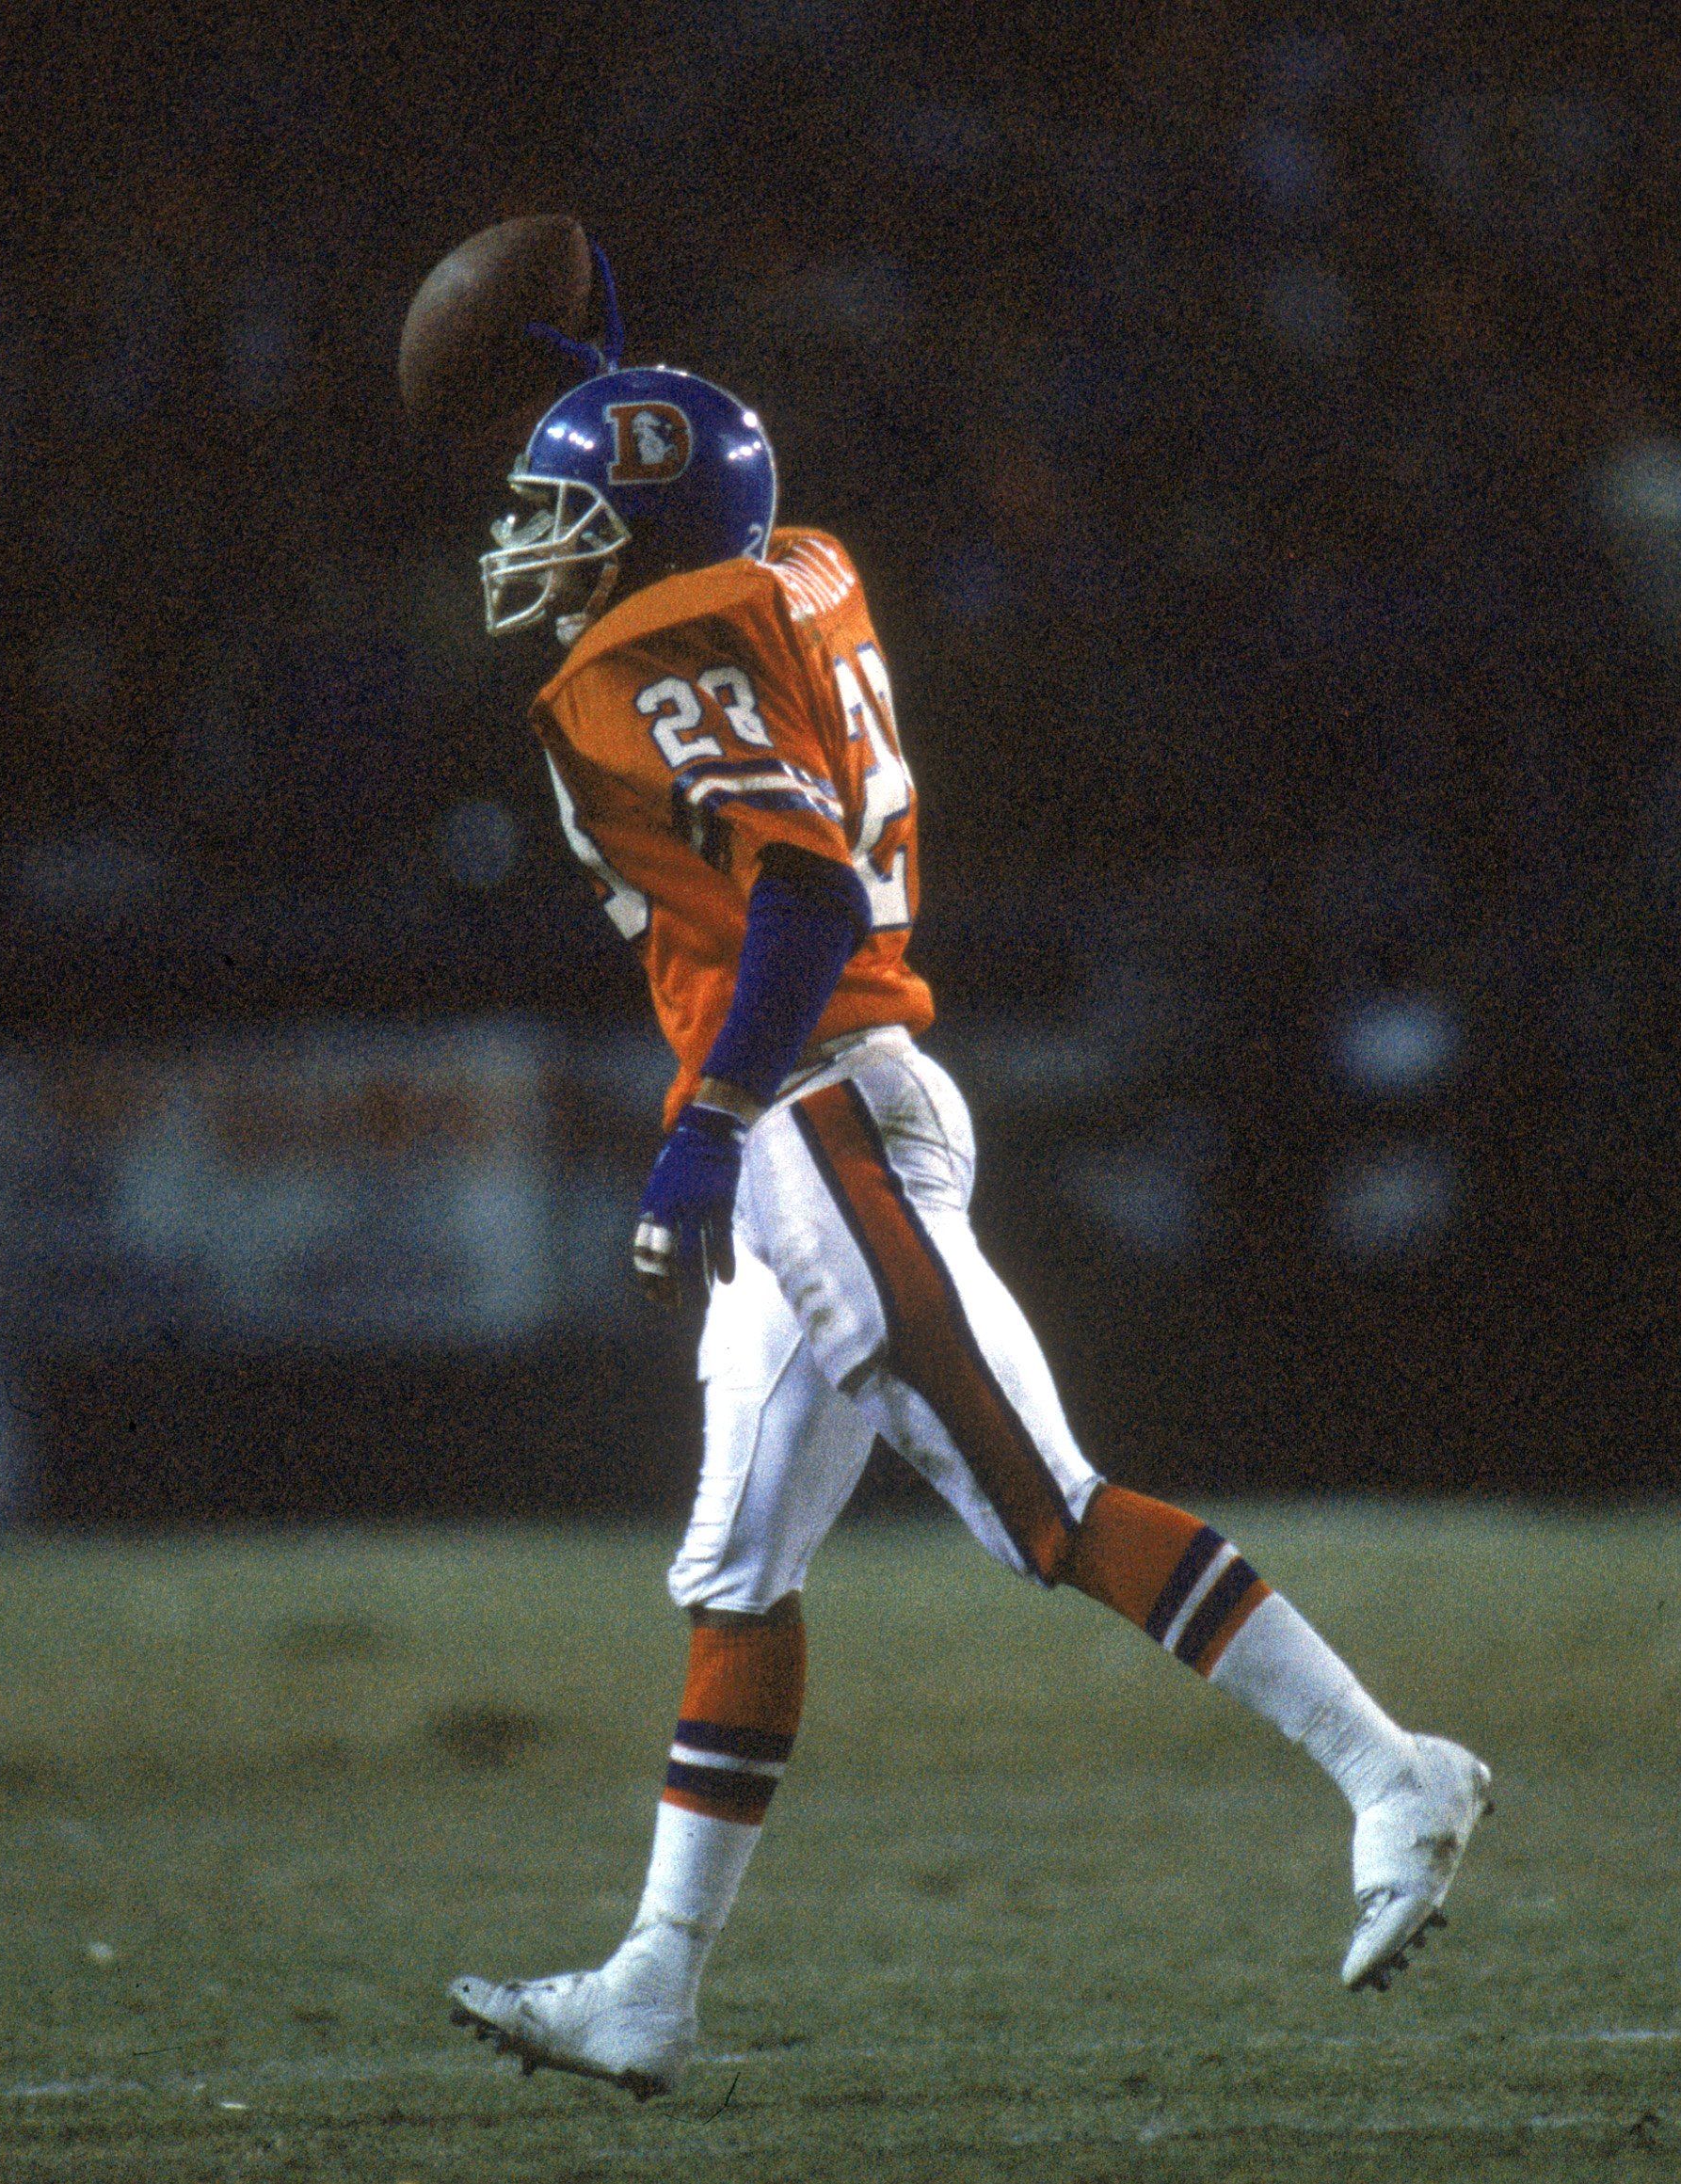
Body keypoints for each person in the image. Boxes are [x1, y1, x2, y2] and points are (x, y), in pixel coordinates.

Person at [446, 358, 1490, 2100]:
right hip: (829, 1104)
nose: (536, 557)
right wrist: (606, 378)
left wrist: (707, 1119)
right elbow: (747, 592)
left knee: (1041, 1506)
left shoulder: (635, 662)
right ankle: (651, 1985)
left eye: (569, 523)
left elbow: (804, 885)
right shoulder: (804, 567)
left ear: (644, 536)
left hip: (820, 1112)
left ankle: (1396, 1771)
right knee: (736, 1572)